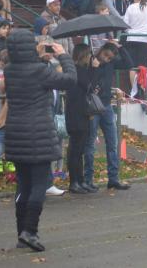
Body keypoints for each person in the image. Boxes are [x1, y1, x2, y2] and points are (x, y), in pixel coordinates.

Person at [4, 29, 77, 251]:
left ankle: (21, 234)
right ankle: (30, 231)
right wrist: (63, 55)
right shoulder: (39, 70)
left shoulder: (9, 70)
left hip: (16, 132)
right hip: (38, 133)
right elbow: (70, 80)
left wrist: (39, 57)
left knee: (23, 185)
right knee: (39, 185)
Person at [84, 42, 133, 191]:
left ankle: (113, 178)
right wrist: (95, 68)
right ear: (101, 51)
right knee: (90, 144)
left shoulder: (111, 63)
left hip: (106, 105)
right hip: (93, 106)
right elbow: (88, 84)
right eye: (105, 55)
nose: (107, 59)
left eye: (110, 58)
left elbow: (128, 64)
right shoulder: (91, 62)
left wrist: (120, 47)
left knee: (113, 143)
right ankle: (88, 179)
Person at [66, 45, 96, 194]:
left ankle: (80, 179)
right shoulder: (79, 71)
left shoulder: (78, 70)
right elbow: (89, 86)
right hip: (76, 112)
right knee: (75, 149)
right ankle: (74, 181)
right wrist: (93, 69)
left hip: (80, 112)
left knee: (80, 149)